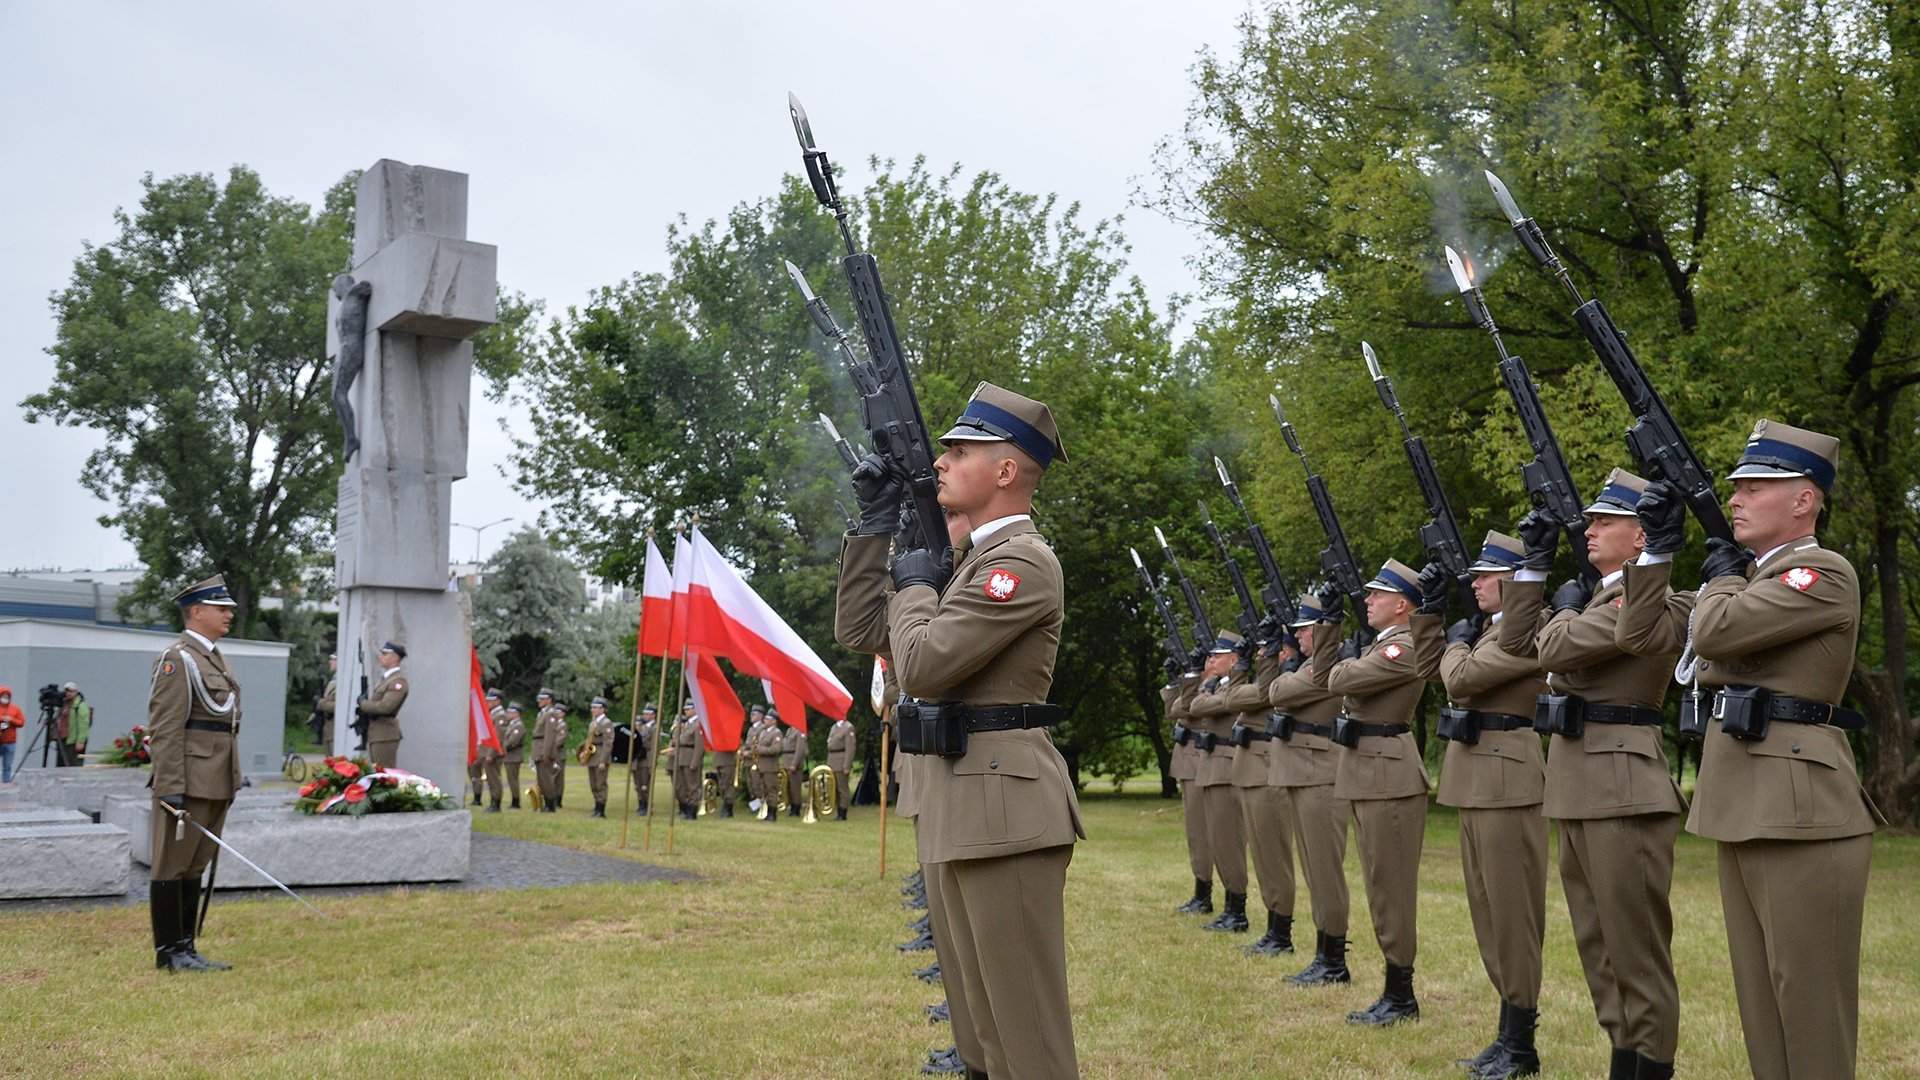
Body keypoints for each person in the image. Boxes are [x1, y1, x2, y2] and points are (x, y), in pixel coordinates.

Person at [853, 381, 1082, 1080]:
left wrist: (918, 585)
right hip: (961, 803)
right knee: (981, 1034)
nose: (942, 462)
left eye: (960, 450)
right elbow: (863, 630)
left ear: (1006, 471)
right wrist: (874, 526)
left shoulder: (1019, 565)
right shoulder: (969, 565)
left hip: (1003, 813)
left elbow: (920, 664)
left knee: (1027, 1038)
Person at [1642, 420, 1881, 1080]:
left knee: (1809, 1009)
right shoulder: (1752, 578)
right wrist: (1655, 553)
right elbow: (1645, 631)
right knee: (1762, 1007)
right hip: (1747, 802)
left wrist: (1719, 579)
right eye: (1736, 488)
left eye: (1755, 487)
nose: (1737, 498)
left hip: (1801, 814)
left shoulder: (1820, 573)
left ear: (1803, 499)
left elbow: (1715, 629)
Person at [1501, 469, 1689, 1080]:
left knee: (1635, 951)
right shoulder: (1596, 596)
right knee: (1598, 947)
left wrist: (1557, 623)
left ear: (1642, 538)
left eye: (1606, 520)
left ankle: (1652, 1066)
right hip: (1579, 780)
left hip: (1622, 784)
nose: (1589, 528)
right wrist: (1531, 570)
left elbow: (1549, 649)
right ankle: (1623, 1060)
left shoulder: (1661, 601)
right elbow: (1515, 642)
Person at [1431, 531, 1550, 1076]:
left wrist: (1453, 645)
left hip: (1507, 778)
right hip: (1478, 776)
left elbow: (1461, 680)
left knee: (1512, 914)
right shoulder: (1490, 631)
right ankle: (1507, 1032)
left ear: (1514, 579)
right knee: (1487, 913)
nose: (1475, 584)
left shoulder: (1531, 630)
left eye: (1486, 575)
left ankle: (1521, 1042)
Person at [1312, 558, 1434, 1027]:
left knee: (1392, 889)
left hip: (1389, 775)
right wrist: (1329, 625)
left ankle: (1401, 995)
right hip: (1369, 772)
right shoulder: (1381, 646)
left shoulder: (1404, 646)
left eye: (1377, 594)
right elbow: (1334, 675)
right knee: (1379, 887)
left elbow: (1337, 680)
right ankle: (1393, 990)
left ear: (1402, 604)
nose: (1369, 600)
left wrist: (1344, 655)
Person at [146, 574, 242, 973]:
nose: (228, 615)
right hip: (188, 777)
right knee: (172, 863)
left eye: (229, 609)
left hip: (216, 776)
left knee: (197, 863)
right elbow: (166, 727)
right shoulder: (178, 658)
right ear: (196, 612)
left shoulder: (212, 656)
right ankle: (169, 951)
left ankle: (187, 947)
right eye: (221, 609)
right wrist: (170, 787)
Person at [1267, 595, 1352, 987]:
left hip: (1322, 774)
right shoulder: (1309, 665)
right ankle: (1323, 953)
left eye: (1306, 628)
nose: (1297, 634)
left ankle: (1333, 959)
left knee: (1325, 872)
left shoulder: (1326, 665)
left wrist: (1283, 676)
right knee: (1314, 870)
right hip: (1306, 774)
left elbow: (1278, 693)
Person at [1183, 632, 1255, 933]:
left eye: (1217, 656)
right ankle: (1229, 907)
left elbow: (1199, 707)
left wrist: (1206, 693)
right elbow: (1187, 706)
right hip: (1212, 767)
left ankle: (1236, 910)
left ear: (1235, 659)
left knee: (1229, 843)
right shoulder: (1219, 686)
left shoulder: (1239, 687)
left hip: (1226, 769)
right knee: (1215, 840)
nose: (1211, 661)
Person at [1165, 663, 1212, 915]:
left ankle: (1205, 894)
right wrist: (1174, 682)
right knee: (1195, 834)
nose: (1209, 664)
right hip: (1189, 764)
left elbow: (1185, 707)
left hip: (1199, 764)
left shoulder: (1211, 689)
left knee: (1203, 834)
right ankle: (1200, 891)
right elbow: (1171, 710)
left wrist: (1189, 681)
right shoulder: (1199, 687)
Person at [357, 641, 409, 768]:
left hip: (385, 735)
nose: (381, 657)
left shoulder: (398, 681)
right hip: (377, 734)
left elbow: (386, 707)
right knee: (377, 774)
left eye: (385, 654)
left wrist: (363, 704)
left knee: (385, 775)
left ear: (395, 657)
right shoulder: (386, 679)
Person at [532, 689, 567, 812]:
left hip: (543, 749)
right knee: (541, 779)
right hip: (539, 747)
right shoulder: (543, 713)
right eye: (539, 699)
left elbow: (549, 736)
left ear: (549, 700)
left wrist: (546, 754)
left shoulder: (550, 714)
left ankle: (550, 804)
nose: (539, 701)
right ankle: (546, 803)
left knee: (547, 779)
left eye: (542, 699)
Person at [670, 702, 703, 820]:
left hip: (690, 756)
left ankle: (693, 810)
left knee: (692, 785)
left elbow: (699, 746)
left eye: (688, 709)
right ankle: (687, 809)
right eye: (685, 709)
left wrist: (695, 761)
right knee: (684, 785)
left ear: (695, 710)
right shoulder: (687, 724)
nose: (686, 711)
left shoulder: (698, 725)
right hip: (682, 757)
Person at [584, 697, 615, 818]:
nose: (593, 709)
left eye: (595, 707)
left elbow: (608, 743)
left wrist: (603, 760)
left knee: (600, 783)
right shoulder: (593, 722)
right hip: (592, 755)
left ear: (602, 709)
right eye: (592, 707)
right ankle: (596, 806)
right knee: (593, 783)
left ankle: (601, 809)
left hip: (601, 755)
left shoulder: (606, 723)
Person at [754, 707, 785, 820]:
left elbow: (776, 749)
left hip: (770, 766)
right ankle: (766, 810)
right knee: (764, 789)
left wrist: (761, 750)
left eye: (767, 719)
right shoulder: (762, 733)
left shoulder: (776, 733)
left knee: (772, 789)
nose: (765, 721)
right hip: (762, 765)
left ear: (773, 721)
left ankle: (772, 813)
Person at [477, 689, 505, 812]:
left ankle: (496, 803)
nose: (488, 703)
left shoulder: (500, 716)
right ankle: (493, 802)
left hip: (493, 753)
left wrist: (490, 753)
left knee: (494, 779)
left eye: (491, 701)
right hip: (488, 751)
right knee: (490, 778)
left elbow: (498, 737)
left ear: (498, 701)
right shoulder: (493, 713)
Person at [826, 712, 856, 820]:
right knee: (834, 788)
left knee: (842, 789)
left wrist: (847, 765)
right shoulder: (834, 727)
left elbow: (850, 748)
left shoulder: (848, 727)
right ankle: (838, 811)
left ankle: (843, 813)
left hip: (841, 760)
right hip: (832, 760)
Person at [631, 703, 658, 815]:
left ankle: (647, 806)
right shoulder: (642, 727)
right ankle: (641, 804)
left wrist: (652, 762)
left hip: (647, 758)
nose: (645, 716)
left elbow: (654, 746)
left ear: (653, 715)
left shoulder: (655, 728)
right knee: (638, 784)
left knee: (645, 784)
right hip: (638, 758)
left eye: (648, 714)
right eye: (644, 713)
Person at [499, 703, 526, 810]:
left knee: (513, 780)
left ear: (516, 714)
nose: (507, 714)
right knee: (511, 780)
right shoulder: (512, 725)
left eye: (510, 712)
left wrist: (502, 748)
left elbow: (512, 741)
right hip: (510, 756)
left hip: (514, 756)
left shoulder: (518, 726)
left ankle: (516, 802)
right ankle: (514, 800)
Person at [58, 683, 91, 765]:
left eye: (71, 691)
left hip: (74, 740)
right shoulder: (64, 704)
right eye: (66, 691)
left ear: (76, 692)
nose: (68, 693)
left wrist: (80, 741)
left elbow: (84, 725)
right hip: (64, 739)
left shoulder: (80, 706)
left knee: (73, 764)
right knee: (62, 764)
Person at [743, 703, 768, 808]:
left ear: (760, 716)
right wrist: (743, 750)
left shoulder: (762, 729)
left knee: (757, 783)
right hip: (748, 760)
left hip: (756, 760)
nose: (751, 716)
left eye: (754, 714)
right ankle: (755, 805)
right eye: (751, 714)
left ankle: (762, 804)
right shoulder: (751, 729)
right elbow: (748, 743)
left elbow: (758, 744)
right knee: (750, 783)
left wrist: (748, 752)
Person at [781, 711, 807, 815]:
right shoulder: (790, 730)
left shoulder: (800, 731)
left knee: (795, 787)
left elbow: (800, 749)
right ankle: (791, 806)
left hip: (793, 761)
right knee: (789, 787)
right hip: (787, 759)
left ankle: (796, 808)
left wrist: (794, 764)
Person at [0, 686, 25, 783]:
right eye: (3, 696)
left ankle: (6, 783)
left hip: (10, 742)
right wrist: (2, 718)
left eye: (7, 696)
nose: (5, 698)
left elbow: (21, 722)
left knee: (7, 765)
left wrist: (11, 719)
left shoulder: (15, 709)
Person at [316, 654, 338, 748]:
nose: (330, 662)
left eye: (333, 659)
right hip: (328, 730)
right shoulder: (333, 680)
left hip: (335, 730)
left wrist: (321, 704)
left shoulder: (340, 681)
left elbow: (339, 705)